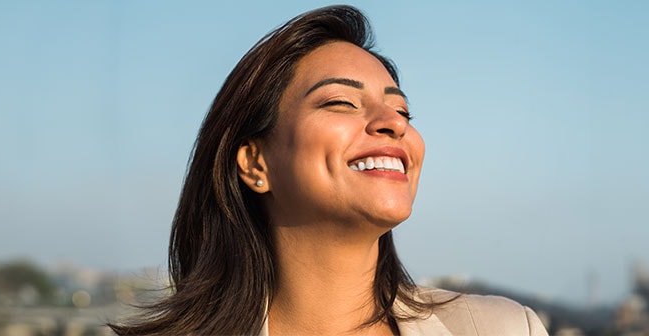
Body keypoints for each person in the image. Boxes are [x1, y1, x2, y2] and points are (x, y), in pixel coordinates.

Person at [109, 5, 547, 335]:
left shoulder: (504, 329)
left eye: (402, 110)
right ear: (255, 163)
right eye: (340, 101)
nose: (394, 123)